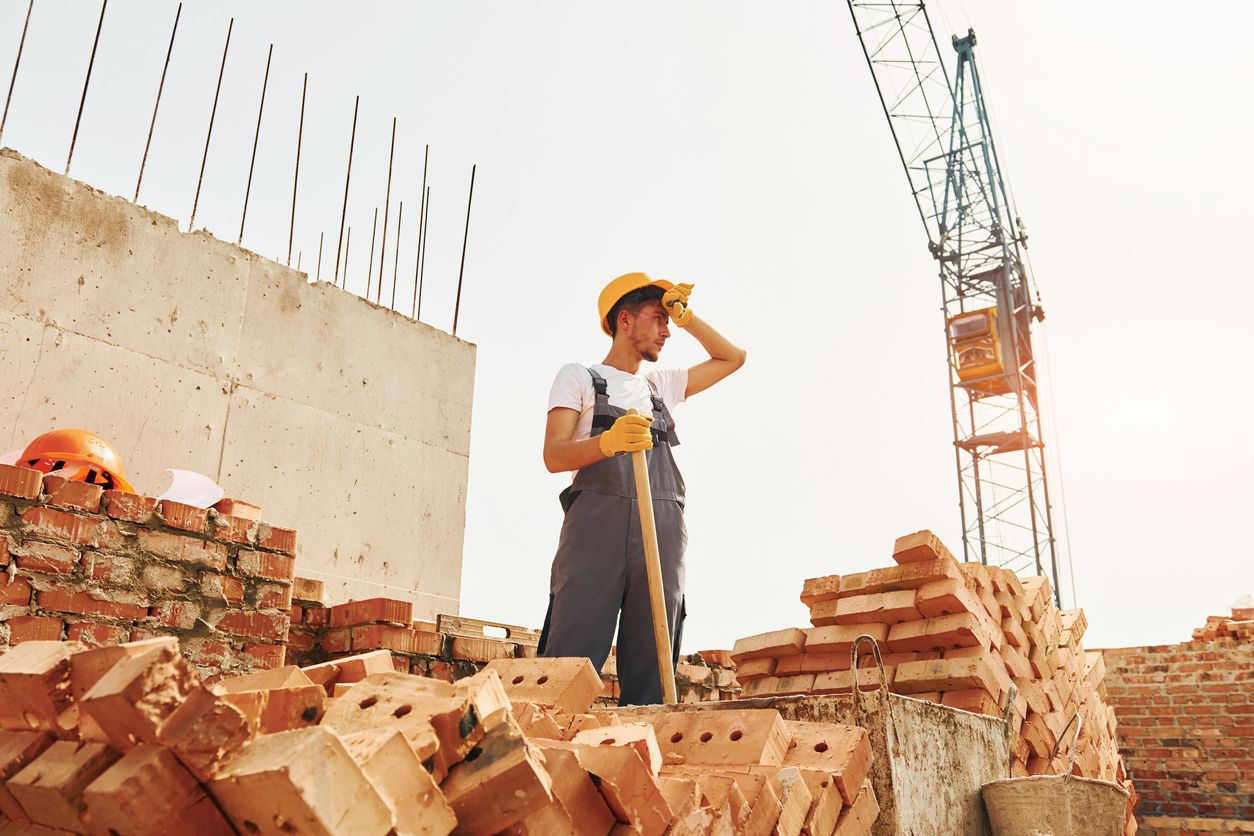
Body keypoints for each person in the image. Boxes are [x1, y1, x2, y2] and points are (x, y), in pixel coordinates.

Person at [538, 272, 746, 705]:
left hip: (662, 527)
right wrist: (607, 442)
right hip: (596, 531)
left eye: (671, 320)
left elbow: (732, 358)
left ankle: (639, 761)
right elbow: (554, 456)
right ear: (625, 320)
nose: (668, 331)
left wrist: (688, 318)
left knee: (654, 665)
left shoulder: (660, 387)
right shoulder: (579, 377)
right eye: (659, 318)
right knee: (568, 660)